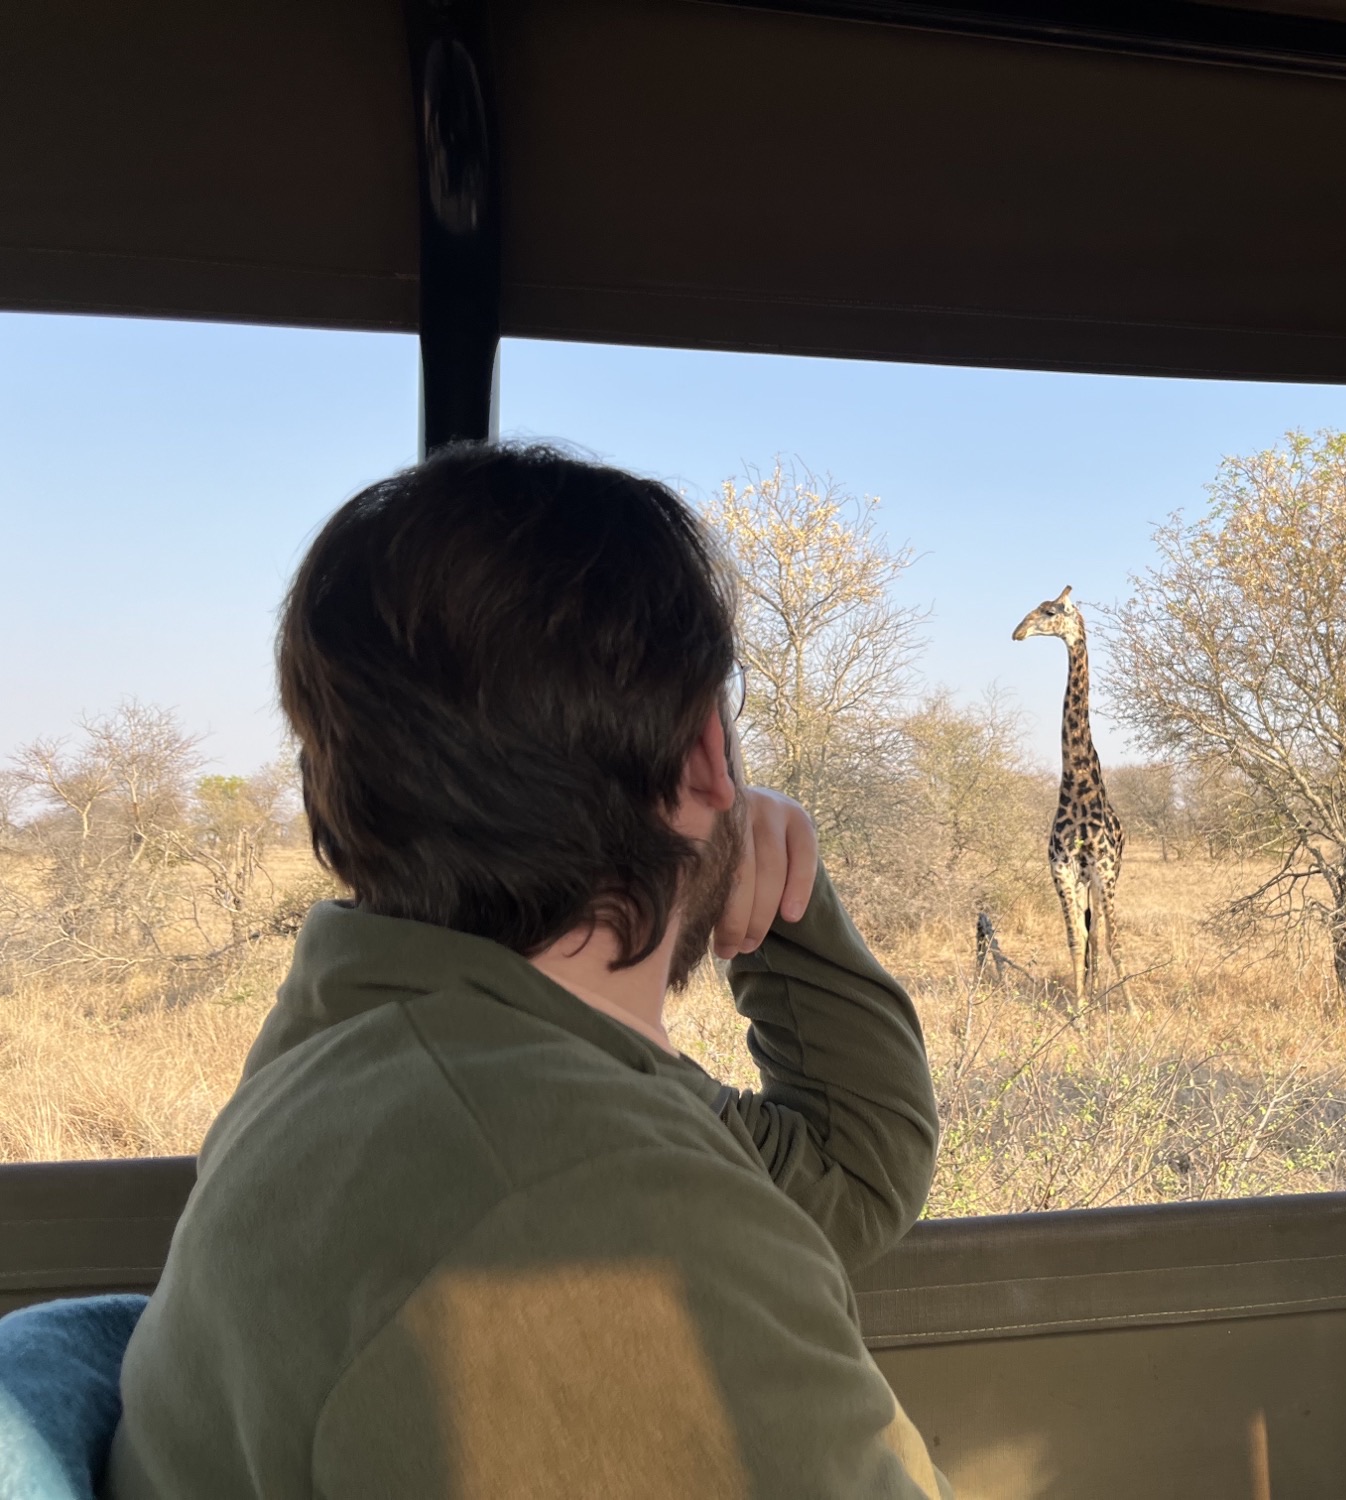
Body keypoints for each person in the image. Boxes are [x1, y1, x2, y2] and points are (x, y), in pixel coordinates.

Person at [106, 445, 948, 1499]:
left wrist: (781, 890)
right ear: (704, 755)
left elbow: (851, 1171)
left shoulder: (385, 1044)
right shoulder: (591, 1203)